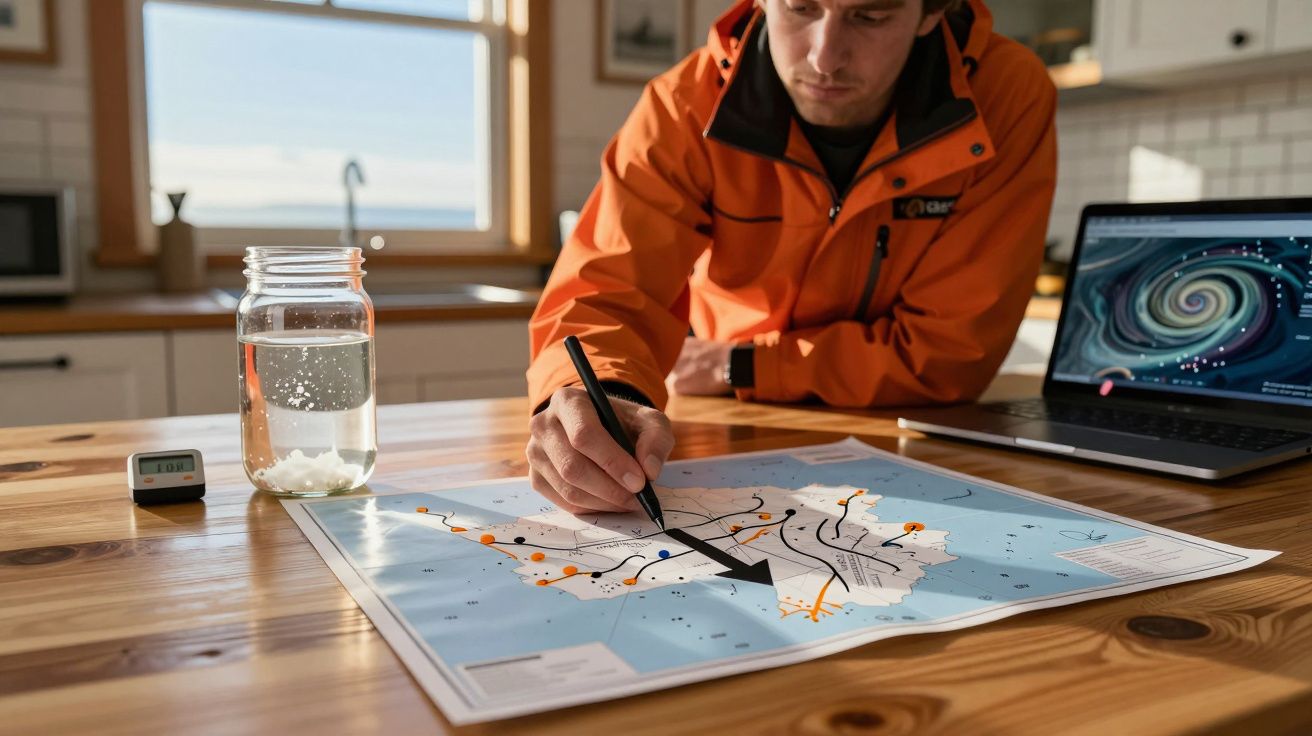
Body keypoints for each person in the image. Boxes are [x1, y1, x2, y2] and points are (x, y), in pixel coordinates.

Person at [525, 0, 1057, 515]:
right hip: (724, 420)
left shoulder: (1007, 95)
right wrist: (600, 393)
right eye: (801, 8)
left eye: (870, 16)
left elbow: (948, 353)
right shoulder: (683, 105)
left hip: (905, 431)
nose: (825, 57)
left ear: (934, 11)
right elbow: (603, 292)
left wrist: (744, 364)